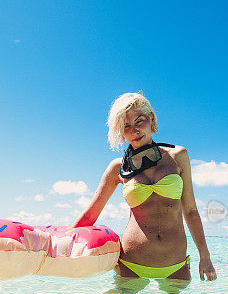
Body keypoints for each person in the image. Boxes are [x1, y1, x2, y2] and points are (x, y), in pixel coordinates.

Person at [73, 93, 217, 281]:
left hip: (176, 265)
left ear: (152, 118)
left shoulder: (178, 156)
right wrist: (60, 244)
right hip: (131, 264)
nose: (133, 131)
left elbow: (190, 211)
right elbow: (91, 214)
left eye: (139, 121)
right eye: (126, 126)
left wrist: (205, 257)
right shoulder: (118, 168)